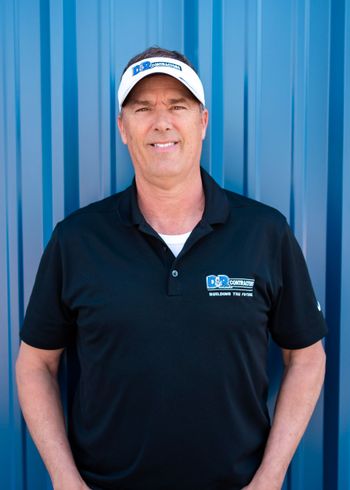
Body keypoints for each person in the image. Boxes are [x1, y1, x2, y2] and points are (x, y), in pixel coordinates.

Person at [16, 47, 327, 490]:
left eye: (176, 106)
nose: (161, 122)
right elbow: (35, 365)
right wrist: (65, 479)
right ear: (123, 129)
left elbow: (307, 356)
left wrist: (271, 476)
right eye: (143, 108)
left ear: (202, 122)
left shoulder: (265, 232)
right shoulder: (77, 240)